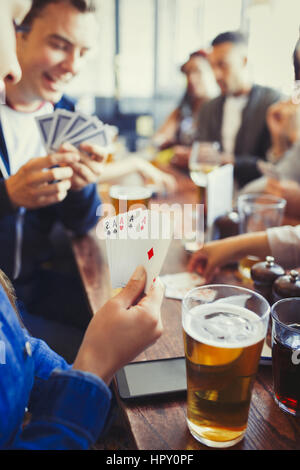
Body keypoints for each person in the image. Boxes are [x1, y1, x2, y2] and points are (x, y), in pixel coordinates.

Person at [0, 0, 165, 450]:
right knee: (120, 372)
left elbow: (80, 221)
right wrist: (7, 198)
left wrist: (82, 186)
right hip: (13, 305)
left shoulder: (65, 108)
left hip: (31, 283)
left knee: (142, 344)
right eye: (59, 44)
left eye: (84, 51)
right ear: (17, 35)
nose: (73, 65)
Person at [195, 31, 281, 187]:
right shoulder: (208, 108)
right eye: (212, 66)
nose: (216, 74)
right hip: (214, 194)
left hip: (257, 196)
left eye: (222, 64)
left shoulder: (273, 103)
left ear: (244, 61)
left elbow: (275, 164)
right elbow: (201, 153)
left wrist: (231, 161)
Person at [152, 50, 218, 169]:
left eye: (197, 71)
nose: (191, 78)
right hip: (180, 170)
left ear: (214, 72)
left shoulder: (221, 108)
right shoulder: (184, 109)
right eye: (188, 73)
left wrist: (191, 154)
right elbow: (159, 138)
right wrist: (165, 145)